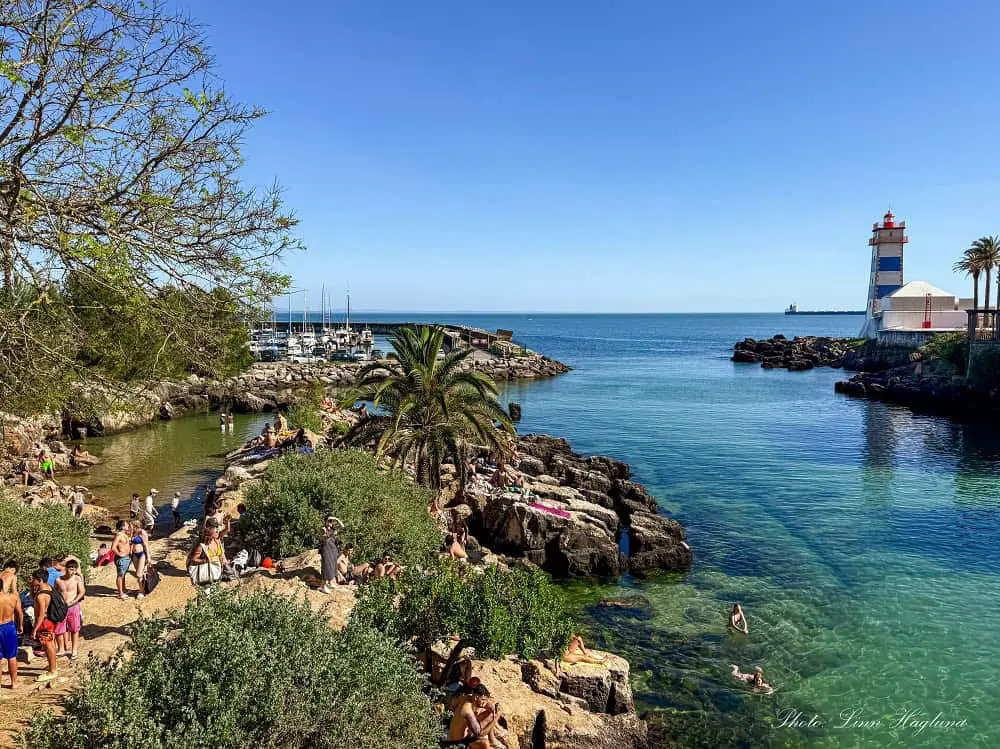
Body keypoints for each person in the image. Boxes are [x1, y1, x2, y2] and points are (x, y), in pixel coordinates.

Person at [30, 570, 60, 682]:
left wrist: (34, 629)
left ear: (40, 580)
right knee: (50, 643)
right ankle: (53, 666)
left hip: (44, 623)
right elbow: (33, 598)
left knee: (48, 645)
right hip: (50, 621)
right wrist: (31, 587)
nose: (32, 580)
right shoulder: (48, 587)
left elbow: (41, 614)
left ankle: (52, 671)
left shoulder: (41, 596)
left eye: (34, 579)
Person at [445, 683, 496, 749]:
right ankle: (491, 742)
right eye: (483, 700)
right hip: (456, 742)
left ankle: (492, 740)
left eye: (485, 700)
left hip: (463, 733)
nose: (484, 703)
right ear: (476, 697)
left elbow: (489, 705)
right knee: (484, 744)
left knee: (489, 714)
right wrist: (496, 717)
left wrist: (489, 705)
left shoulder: (467, 697)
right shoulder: (467, 710)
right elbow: (480, 734)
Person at [0, 576, 23, 689]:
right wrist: (20, 625)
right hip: (9, 627)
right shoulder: (12, 598)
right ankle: (14, 682)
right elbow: (19, 613)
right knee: (12, 656)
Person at [318, 516, 344, 593]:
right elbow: (323, 537)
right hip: (326, 550)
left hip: (333, 549)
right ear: (325, 521)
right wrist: (331, 534)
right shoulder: (323, 529)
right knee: (326, 567)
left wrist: (336, 519)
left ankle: (330, 583)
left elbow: (342, 526)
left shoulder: (333, 529)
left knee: (333, 566)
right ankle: (323, 586)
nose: (330, 523)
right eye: (329, 521)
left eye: (331, 521)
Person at [111, 520, 133, 599]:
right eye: (127, 525)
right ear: (123, 527)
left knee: (123, 574)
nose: (128, 526)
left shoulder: (124, 534)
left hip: (126, 558)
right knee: (120, 575)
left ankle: (123, 589)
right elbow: (113, 547)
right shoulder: (119, 535)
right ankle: (120, 594)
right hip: (121, 558)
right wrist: (119, 554)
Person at [130, 522, 151, 599]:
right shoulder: (133, 533)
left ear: (136, 525)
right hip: (134, 555)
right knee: (140, 573)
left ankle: (142, 592)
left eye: (131, 525)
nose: (130, 527)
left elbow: (146, 545)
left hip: (142, 554)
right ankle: (143, 588)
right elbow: (131, 544)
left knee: (139, 574)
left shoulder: (142, 533)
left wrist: (148, 558)